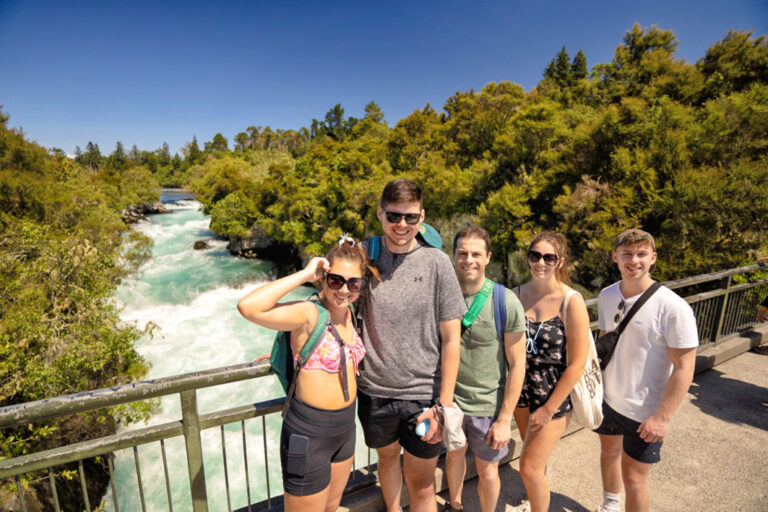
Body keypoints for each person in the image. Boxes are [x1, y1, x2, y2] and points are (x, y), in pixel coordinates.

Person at [237, 236, 374, 512]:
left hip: (345, 428)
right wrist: (304, 274)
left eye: (354, 283)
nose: (344, 290)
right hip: (309, 433)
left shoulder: (350, 314)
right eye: (336, 280)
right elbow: (248, 307)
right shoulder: (309, 313)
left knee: (331, 508)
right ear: (324, 278)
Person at [357, 179, 466, 512]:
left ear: (422, 216)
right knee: (387, 463)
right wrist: (295, 339)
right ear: (380, 213)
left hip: (423, 397)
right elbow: (334, 302)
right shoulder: (364, 256)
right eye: (393, 216)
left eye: (410, 217)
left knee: (421, 485)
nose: (401, 225)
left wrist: (442, 408)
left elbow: (451, 340)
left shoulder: (437, 263)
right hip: (374, 392)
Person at [594, 229, 698, 512]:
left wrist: (662, 418)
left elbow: (685, 366)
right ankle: (610, 505)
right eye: (627, 254)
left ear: (652, 259)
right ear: (615, 257)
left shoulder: (673, 307)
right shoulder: (606, 295)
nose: (634, 261)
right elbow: (606, 339)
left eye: (641, 254)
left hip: (645, 412)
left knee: (635, 480)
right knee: (608, 452)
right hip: (609, 399)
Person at [444, 225, 527, 512]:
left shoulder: (505, 301)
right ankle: (454, 505)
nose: (469, 260)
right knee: (453, 458)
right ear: (453, 256)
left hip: (487, 406)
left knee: (488, 471)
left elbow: (518, 365)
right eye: (462, 253)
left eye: (476, 254)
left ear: (488, 257)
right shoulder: (444, 295)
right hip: (451, 402)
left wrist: (505, 419)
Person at [512, 231, 590, 512]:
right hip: (520, 393)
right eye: (535, 256)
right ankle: (538, 499)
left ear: (560, 261)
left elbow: (577, 363)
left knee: (529, 468)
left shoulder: (571, 301)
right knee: (535, 463)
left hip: (552, 396)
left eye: (549, 257)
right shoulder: (516, 295)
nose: (540, 262)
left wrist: (548, 409)